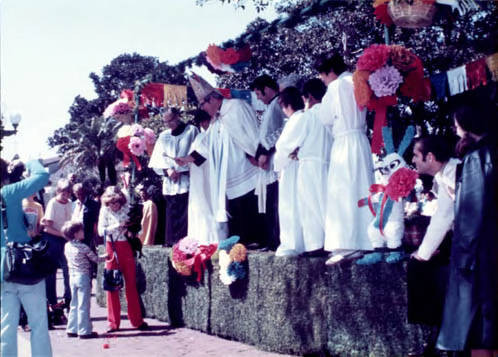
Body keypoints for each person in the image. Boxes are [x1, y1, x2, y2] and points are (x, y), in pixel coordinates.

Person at [436, 102, 497, 356]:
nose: (454, 128)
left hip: (482, 252)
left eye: (457, 124)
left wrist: (461, 258)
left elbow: (471, 215)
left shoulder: (476, 158)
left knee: (481, 327)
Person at [178, 74, 260, 246]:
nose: (203, 108)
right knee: (235, 209)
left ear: (213, 98)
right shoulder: (216, 120)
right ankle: (241, 243)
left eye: (203, 104)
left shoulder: (236, 107)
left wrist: (256, 154)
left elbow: (251, 132)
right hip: (228, 173)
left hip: (246, 166)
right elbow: (206, 146)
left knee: (248, 205)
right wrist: (187, 159)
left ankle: (256, 239)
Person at [315, 53, 374, 265]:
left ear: (330, 71)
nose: (322, 79)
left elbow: (325, 117)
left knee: (344, 191)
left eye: (322, 75)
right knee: (361, 188)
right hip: (360, 140)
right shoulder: (357, 80)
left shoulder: (337, 86)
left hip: (344, 142)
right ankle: (366, 239)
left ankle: (348, 243)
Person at [408, 135, 459, 355]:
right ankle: (435, 335)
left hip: (476, 242)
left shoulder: (453, 172)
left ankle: (439, 340)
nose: (413, 160)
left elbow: (444, 217)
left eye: (416, 155)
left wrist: (423, 253)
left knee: (419, 265)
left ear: (430, 157)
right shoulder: (443, 175)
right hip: (461, 238)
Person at [1, 158, 53, 357]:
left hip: (2, 270)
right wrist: (31, 161)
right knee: (38, 322)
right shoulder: (10, 192)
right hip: (24, 262)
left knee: (6, 325)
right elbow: (42, 176)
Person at [97, 186, 148, 332]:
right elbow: (101, 231)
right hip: (111, 248)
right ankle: (113, 323)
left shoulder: (126, 209)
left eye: (117, 203)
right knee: (112, 286)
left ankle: (137, 321)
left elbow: (137, 228)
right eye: (111, 203)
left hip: (126, 246)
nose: (114, 206)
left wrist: (130, 230)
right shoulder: (104, 210)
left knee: (131, 284)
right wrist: (117, 226)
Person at [149, 107, 199, 246]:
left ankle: (185, 244)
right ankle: (170, 242)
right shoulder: (164, 136)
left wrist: (181, 169)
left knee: (185, 213)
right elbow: (157, 160)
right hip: (170, 180)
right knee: (171, 212)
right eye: (165, 122)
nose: (168, 124)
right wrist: (168, 171)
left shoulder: (191, 131)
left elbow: (197, 154)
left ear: (177, 116)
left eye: (170, 120)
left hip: (186, 179)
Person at [250, 74, 285, 250]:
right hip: (268, 162)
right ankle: (272, 240)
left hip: (275, 162)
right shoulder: (271, 106)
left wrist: (265, 152)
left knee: (275, 203)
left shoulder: (279, 104)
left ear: (268, 89)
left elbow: (281, 131)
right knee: (270, 203)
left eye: (259, 93)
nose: (258, 98)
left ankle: (276, 241)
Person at [182, 109, 228, 244]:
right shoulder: (200, 136)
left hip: (209, 174)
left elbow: (204, 155)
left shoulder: (215, 134)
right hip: (197, 175)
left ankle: (211, 237)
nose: (203, 124)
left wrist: (187, 159)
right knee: (198, 203)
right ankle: (198, 237)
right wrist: (185, 160)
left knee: (208, 202)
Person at [273, 86, 305, 256]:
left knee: (290, 205)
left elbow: (284, 147)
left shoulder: (296, 119)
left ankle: (292, 243)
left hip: (291, 167)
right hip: (297, 165)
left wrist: (277, 166)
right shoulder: (304, 117)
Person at [63, 220, 106, 339]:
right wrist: (106, 256)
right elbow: (96, 259)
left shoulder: (67, 246)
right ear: (76, 234)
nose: (83, 232)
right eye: (81, 230)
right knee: (84, 305)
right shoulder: (83, 247)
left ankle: (71, 328)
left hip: (72, 276)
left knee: (74, 304)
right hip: (83, 276)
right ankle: (84, 330)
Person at [43, 178, 73, 312]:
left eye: (68, 193)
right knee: (51, 272)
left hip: (66, 239)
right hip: (54, 239)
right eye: (63, 193)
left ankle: (68, 299)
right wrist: (61, 234)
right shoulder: (52, 203)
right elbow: (46, 228)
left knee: (68, 270)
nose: (65, 196)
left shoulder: (69, 203)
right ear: (58, 192)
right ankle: (52, 302)